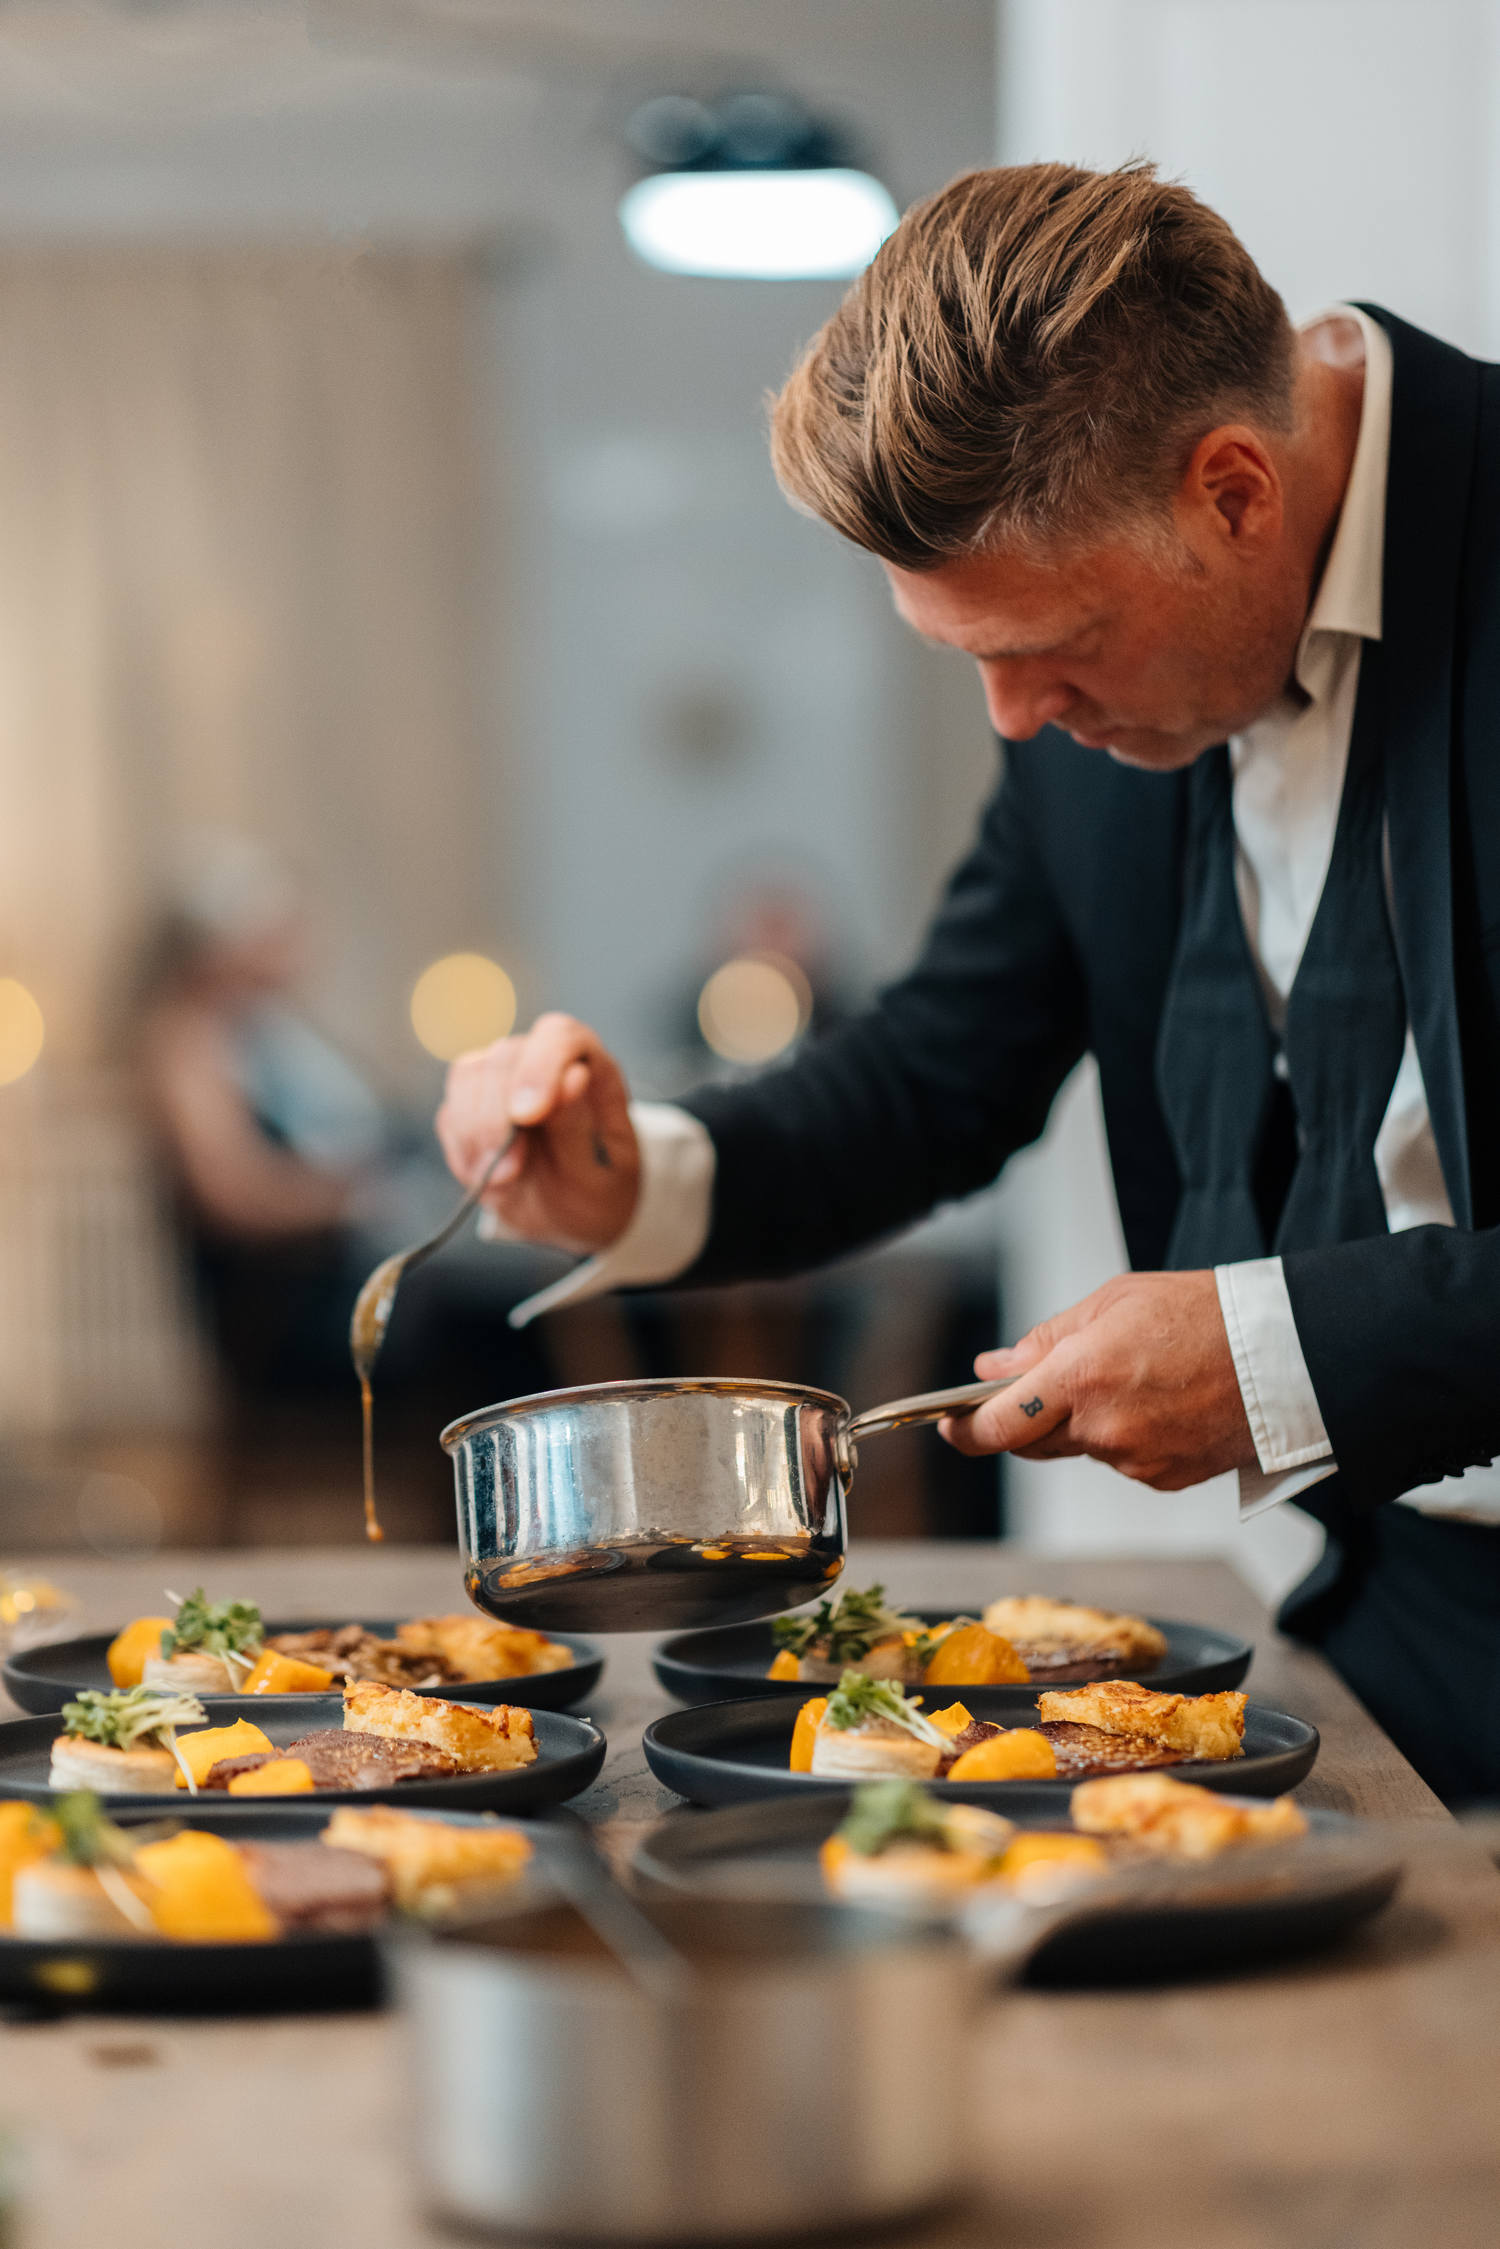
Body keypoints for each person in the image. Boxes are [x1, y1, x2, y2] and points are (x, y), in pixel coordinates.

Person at [436, 163, 1500, 1803]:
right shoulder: (1089, 672)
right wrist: (634, 1173)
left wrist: (1282, 1352)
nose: (1015, 720)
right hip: (1395, 1610)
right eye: (971, 659)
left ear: (1234, 491)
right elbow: (945, 1062)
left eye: (1053, 647)